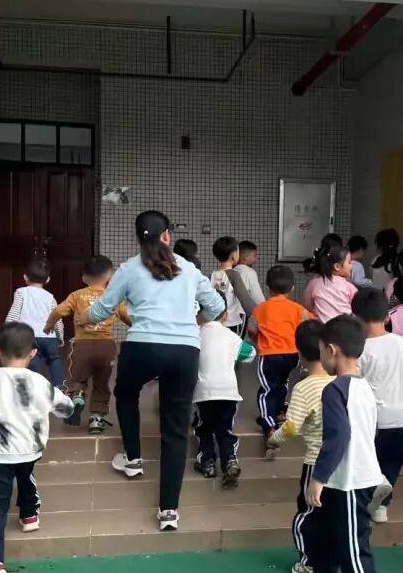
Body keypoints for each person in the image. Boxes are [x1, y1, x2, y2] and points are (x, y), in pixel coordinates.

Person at [76, 210, 224, 532]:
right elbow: (216, 307)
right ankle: (169, 511)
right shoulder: (189, 269)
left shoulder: (129, 268)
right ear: (167, 235)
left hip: (142, 348)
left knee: (126, 391)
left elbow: (104, 307)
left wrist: (84, 317)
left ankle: (132, 458)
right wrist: (189, 323)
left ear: (137, 237)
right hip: (185, 352)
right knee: (175, 429)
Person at [298, 315, 394, 573]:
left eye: (322, 350)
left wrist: (318, 477)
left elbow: (338, 437)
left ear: (332, 350)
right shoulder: (365, 387)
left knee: (353, 552)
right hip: (346, 480)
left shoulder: (335, 390)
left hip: (350, 482)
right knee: (323, 536)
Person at [0, 323, 75, 573]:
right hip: (31, 449)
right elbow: (66, 409)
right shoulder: (40, 382)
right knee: (26, 475)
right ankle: (30, 515)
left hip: (0, 454)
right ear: (33, 353)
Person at [266, 321, 335, 573]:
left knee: (307, 512)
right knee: (331, 513)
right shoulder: (340, 380)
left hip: (316, 462)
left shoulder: (305, 387)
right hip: (340, 461)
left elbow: (291, 427)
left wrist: (274, 439)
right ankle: (330, 560)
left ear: (299, 352)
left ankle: (308, 564)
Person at [43, 255, 131, 434]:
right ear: (110, 277)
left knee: (77, 378)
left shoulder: (77, 295)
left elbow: (58, 311)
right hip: (106, 347)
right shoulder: (113, 297)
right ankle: (96, 419)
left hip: (82, 346)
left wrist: (49, 325)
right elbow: (128, 316)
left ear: (84, 277)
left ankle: (77, 395)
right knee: (101, 383)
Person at [353, 288, 403, 524]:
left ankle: (364, 504)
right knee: (392, 463)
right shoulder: (401, 343)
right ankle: (381, 507)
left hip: (375, 419)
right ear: (388, 317)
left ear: (357, 318)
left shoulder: (360, 350)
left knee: (368, 461)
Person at [248, 265, 312, 442]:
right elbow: (309, 325)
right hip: (291, 355)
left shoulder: (261, 309)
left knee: (267, 388)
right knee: (282, 383)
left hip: (269, 355)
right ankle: (277, 412)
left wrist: (258, 340)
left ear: (268, 287)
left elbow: (251, 330)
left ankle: (268, 424)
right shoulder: (298, 309)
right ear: (292, 288)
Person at [193, 306, 256, 485]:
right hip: (228, 392)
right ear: (226, 315)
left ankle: (207, 462)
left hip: (204, 392)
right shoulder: (230, 336)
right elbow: (250, 353)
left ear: (199, 314)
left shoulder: (196, 334)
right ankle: (230, 460)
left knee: (204, 428)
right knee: (225, 428)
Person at [4, 258, 63, 388]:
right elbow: (57, 318)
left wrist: (7, 332)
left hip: (28, 336)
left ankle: (34, 388)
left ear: (25, 277)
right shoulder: (50, 297)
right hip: (48, 337)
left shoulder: (21, 292)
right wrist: (60, 336)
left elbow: (14, 314)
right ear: (48, 279)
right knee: (54, 359)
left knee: (32, 361)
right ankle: (59, 385)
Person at [303, 242, 357, 323]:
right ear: (337, 267)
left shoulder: (314, 283)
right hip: (345, 327)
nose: (351, 265)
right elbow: (357, 308)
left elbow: (308, 305)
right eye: (349, 262)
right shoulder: (349, 287)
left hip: (322, 327)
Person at [211, 236, 247, 337]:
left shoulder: (212, 275)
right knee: (235, 346)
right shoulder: (234, 275)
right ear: (233, 255)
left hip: (217, 321)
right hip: (232, 321)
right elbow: (244, 299)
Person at [226, 240, 266, 321]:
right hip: (241, 314)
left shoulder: (230, 271)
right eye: (254, 256)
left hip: (227, 313)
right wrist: (265, 310)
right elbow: (257, 297)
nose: (256, 260)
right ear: (246, 257)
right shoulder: (249, 272)